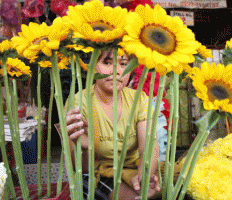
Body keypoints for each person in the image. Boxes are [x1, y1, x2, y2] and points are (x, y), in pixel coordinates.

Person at [65, 50, 161, 200]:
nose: (115, 71)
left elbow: (149, 147)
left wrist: (144, 177)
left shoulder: (139, 99)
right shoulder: (79, 103)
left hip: (134, 169)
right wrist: (85, 149)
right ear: (92, 66)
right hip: (97, 173)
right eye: (107, 62)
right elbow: (82, 168)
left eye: (123, 64)